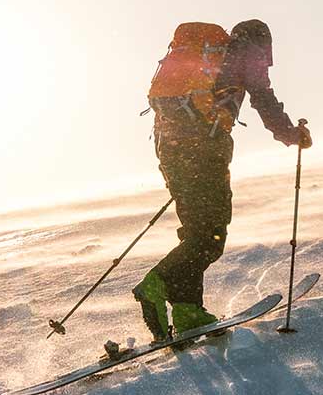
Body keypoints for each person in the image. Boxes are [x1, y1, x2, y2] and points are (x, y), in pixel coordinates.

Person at [132, 19, 312, 341]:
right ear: (260, 43)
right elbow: (263, 99)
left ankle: (188, 311)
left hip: (170, 149)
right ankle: (156, 283)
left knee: (197, 231)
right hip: (202, 151)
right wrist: (292, 134)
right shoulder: (244, 53)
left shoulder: (206, 58)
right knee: (211, 234)